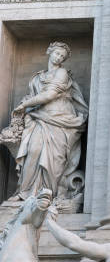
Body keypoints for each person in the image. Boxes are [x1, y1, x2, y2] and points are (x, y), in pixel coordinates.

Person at [7, 41, 88, 201]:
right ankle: (25, 193)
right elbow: (34, 96)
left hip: (60, 119)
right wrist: (27, 106)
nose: (59, 57)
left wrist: (24, 105)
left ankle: (48, 195)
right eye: (57, 53)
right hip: (40, 118)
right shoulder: (38, 77)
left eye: (62, 56)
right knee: (33, 151)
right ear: (49, 52)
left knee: (55, 158)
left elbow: (49, 95)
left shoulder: (62, 73)